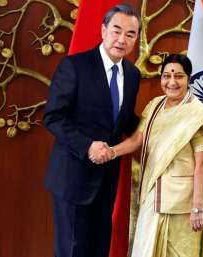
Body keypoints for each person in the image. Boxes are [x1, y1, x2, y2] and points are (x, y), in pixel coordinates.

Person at [43, 4, 141, 257]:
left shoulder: (132, 74)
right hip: (73, 177)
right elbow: (53, 117)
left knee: (99, 249)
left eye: (130, 34)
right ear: (103, 30)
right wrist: (87, 146)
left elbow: (123, 120)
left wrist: (161, 123)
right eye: (116, 30)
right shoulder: (74, 66)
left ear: (136, 39)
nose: (122, 39)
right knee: (72, 251)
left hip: (107, 179)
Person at [107, 54, 203, 257]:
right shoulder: (154, 106)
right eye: (166, 76)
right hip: (152, 197)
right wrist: (112, 152)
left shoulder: (198, 114)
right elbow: (138, 139)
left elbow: (202, 164)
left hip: (182, 204)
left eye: (179, 76)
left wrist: (198, 208)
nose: (172, 82)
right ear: (161, 77)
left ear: (188, 79)